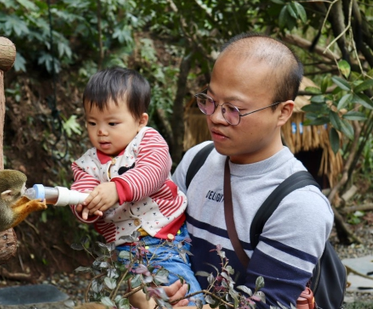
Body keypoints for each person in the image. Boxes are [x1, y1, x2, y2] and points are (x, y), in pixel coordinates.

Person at [130, 32, 334, 308]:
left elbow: (264, 303)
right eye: (210, 101)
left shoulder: (299, 205)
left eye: (234, 109)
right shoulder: (197, 160)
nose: (215, 117)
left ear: (283, 112)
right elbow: (158, 238)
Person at [70, 67, 203, 302]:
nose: (101, 132)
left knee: (182, 294)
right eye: (92, 123)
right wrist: (84, 205)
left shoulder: (148, 141)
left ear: (140, 121)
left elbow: (153, 171)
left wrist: (117, 188)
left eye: (112, 123)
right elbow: (83, 191)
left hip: (164, 240)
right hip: (123, 250)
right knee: (136, 297)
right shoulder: (87, 164)